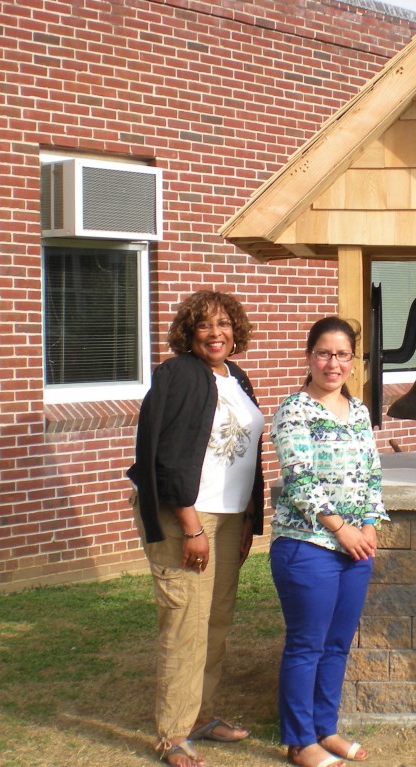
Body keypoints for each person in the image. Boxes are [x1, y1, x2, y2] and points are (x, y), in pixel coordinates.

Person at [127, 290, 265, 767]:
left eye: (225, 324)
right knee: (185, 622)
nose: (216, 333)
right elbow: (161, 456)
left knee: (216, 619)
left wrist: (248, 516)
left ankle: (201, 714)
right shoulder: (177, 376)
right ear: (189, 332)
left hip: (228, 520)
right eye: (205, 325)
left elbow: (246, 454)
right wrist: (189, 525)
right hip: (188, 517)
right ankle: (172, 734)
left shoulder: (237, 377)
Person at [270, 316, 387, 767]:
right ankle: (300, 741)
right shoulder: (294, 409)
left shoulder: (358, 411)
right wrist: (342, 528)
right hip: (309, 546)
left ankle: (325, 729)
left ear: (353, 362)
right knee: (307, 644)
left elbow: (372, 472)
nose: (332, 363)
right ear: (308, 357)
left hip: (357, 548)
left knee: (337, 644)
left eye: (342, 354)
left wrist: (371, 523)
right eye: (323, 353)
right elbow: (299, 480)